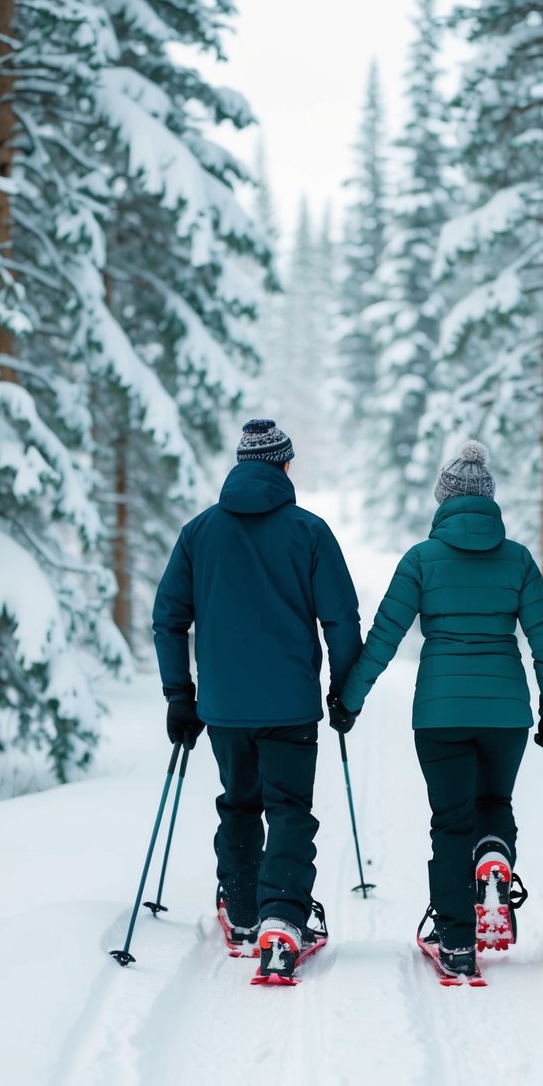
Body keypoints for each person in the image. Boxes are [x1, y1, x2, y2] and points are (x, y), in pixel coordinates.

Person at [330, 440, 543, 978]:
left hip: (439, 715)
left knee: (451, 821)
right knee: (494, 800)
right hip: (507, 713)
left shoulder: (421, 559)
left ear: (443, 503)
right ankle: (494, 861)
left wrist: (350, 699)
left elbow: (385, 636)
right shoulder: (519, 560)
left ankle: (458, 941)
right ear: (490, 502)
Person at [153, 418, 362, 979]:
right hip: (291, 706)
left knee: (239, 802)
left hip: (223, 707)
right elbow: (341, 619)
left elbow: (168, 618)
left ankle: (243, 911)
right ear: (284, 466)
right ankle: (282, 921)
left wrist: (180, 694)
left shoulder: (199, 533)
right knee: (289, 810)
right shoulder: (309, 532)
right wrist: (345, 690)